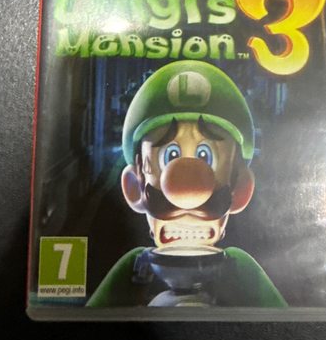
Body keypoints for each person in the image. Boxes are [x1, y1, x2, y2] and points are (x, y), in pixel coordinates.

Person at [87, 60, 287, 308]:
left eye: (205, 156)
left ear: (240, 189)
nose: (187, 194)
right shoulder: (135, 268)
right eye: (170, 156)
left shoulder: (240, 268)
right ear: (134, 187)